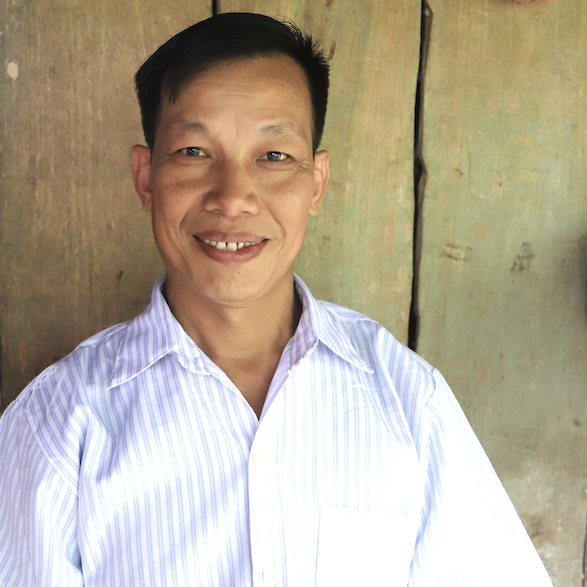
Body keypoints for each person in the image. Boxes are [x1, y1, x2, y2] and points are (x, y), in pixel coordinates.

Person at [0, 13, 553, 587]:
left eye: (274, 156)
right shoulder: (59, 424)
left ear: (317, 182)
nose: (233, 197)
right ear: (145, 177)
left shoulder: (408, 401)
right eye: (194, 151)